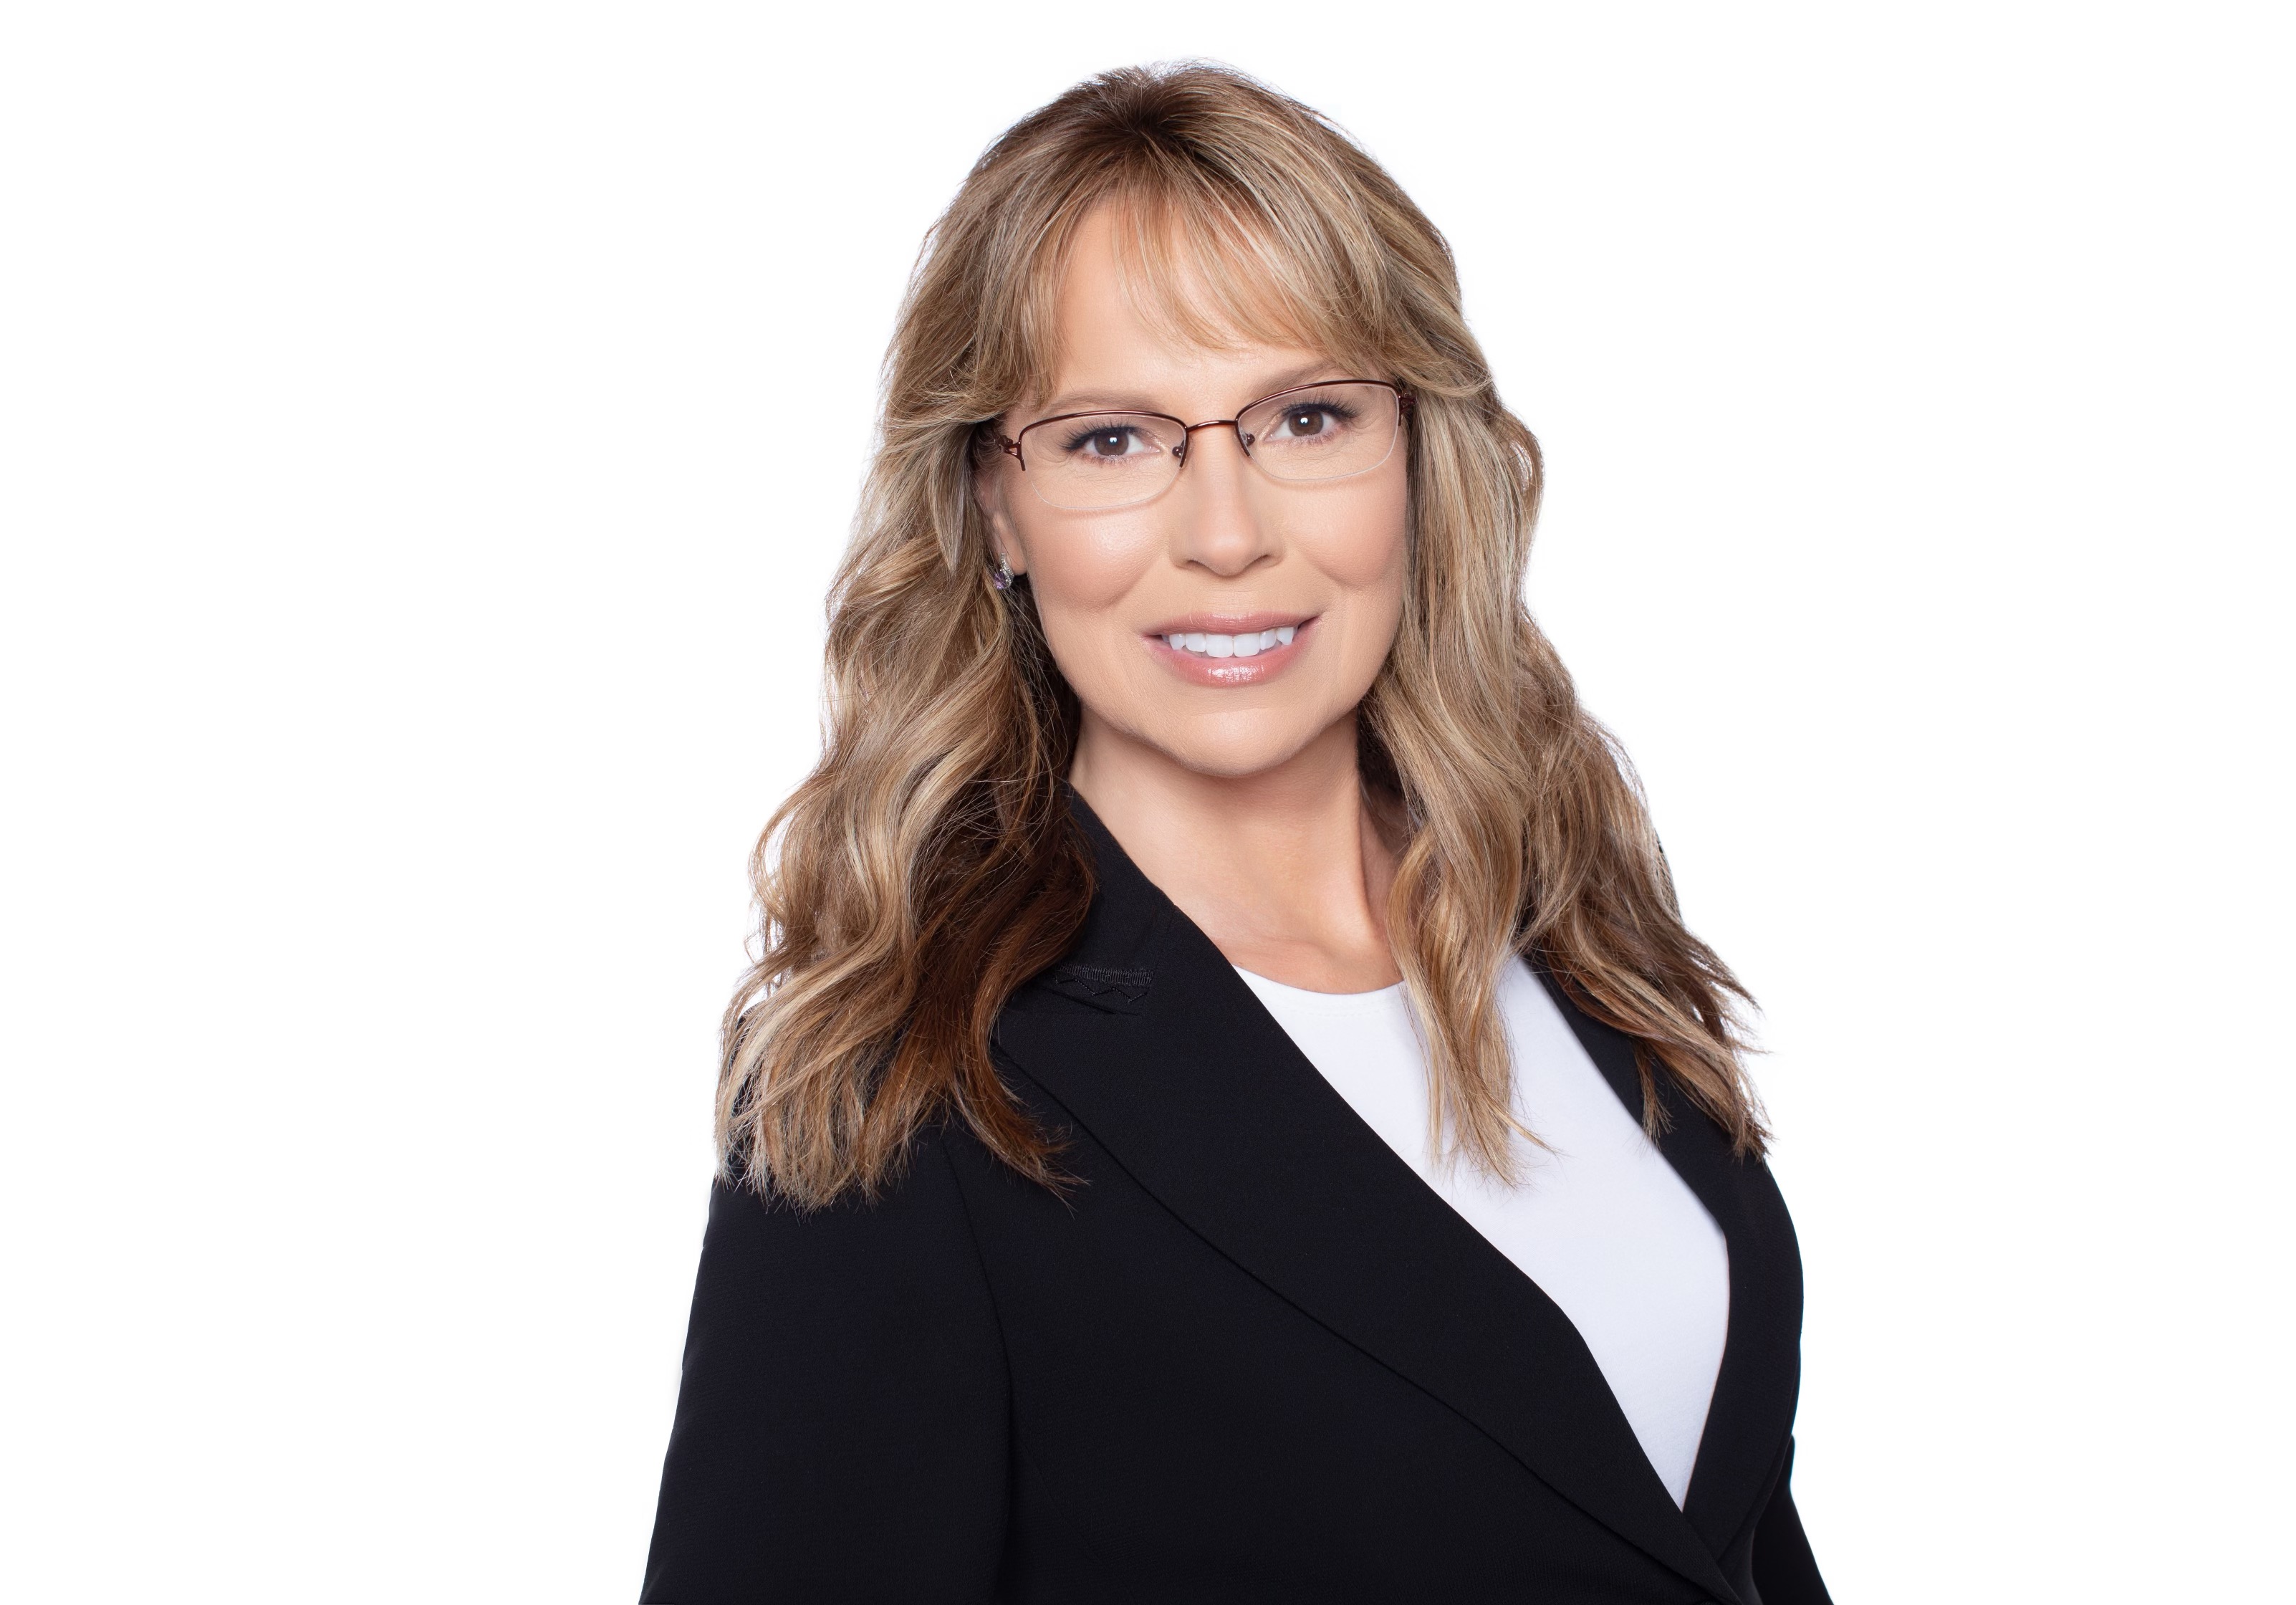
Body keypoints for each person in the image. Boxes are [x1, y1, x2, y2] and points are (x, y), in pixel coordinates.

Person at [641, 62, 1833, 1605]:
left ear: (1416, 457)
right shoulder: (903, 1092)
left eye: (1307, 417)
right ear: (996, 505)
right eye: (1112, 440)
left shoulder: (1569, 926)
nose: (1226, 533)